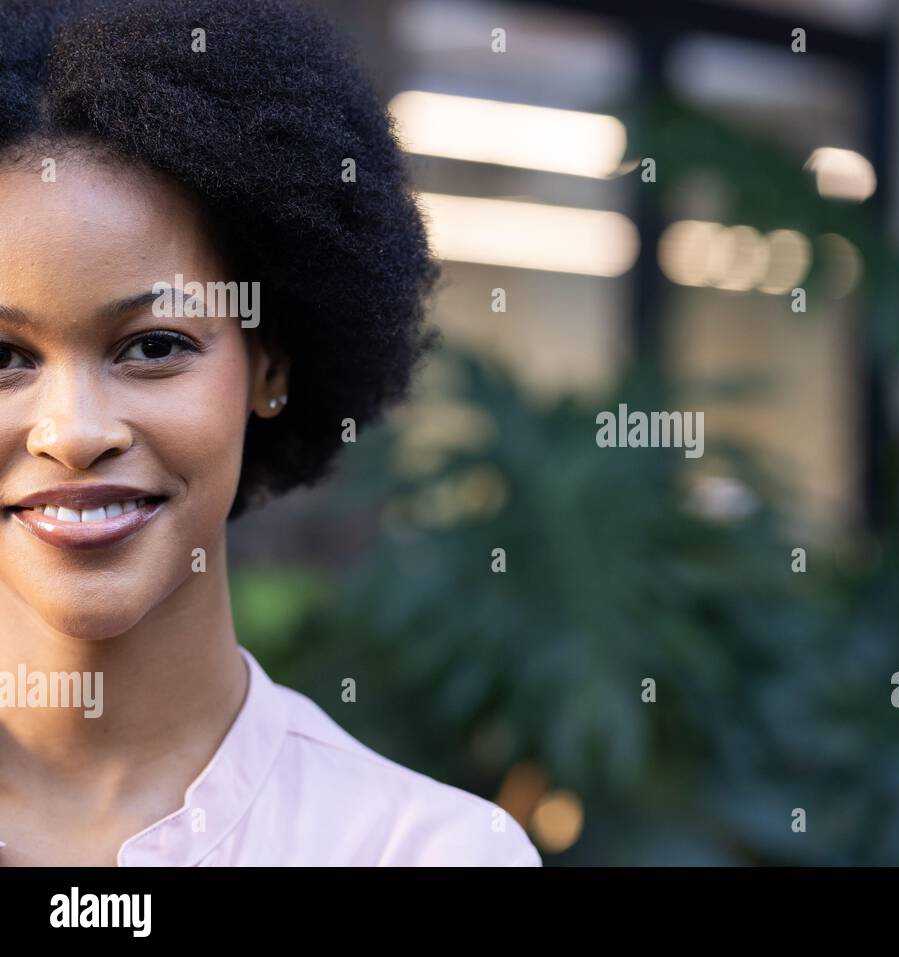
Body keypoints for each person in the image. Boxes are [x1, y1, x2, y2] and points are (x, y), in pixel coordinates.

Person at [0, 0, 541, 866]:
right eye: (4, 357)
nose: (74, 432)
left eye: (154, 345)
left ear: (271, 366)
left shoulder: (421, 851)